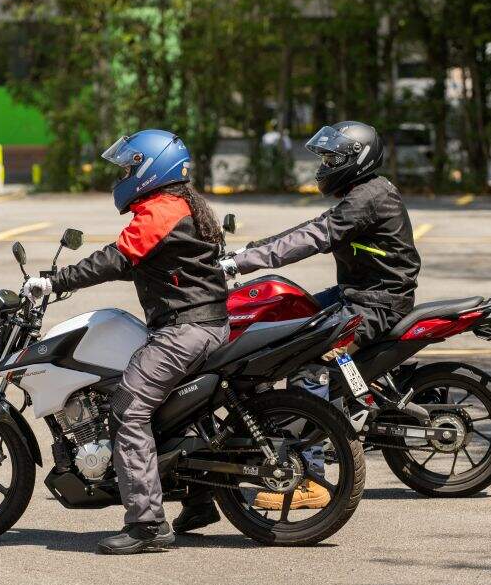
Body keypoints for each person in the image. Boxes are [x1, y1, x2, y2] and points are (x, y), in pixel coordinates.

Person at [175, 120, 422, 531]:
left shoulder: (371, 196)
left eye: (332, 159)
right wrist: (249, 251)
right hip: (357, 294)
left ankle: (309, 476)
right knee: (279, 315)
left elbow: (313, 236)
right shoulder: (364, 192)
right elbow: (307, 230)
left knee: (306, 358)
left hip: (375, 302)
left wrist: (243, 261)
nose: (324, 166)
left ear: (357, 160)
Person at [23, 130, 230, 555]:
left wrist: (54, 281)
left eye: (131, 166)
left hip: (185, 330)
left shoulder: (162, 209)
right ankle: (197, 500)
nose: (126, 173)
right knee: (171, 411)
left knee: (128, 409)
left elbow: (118, 257)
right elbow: (135, 261)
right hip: (200, 325)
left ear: (152, 168)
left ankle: (147, 524)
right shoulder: (181, 205)